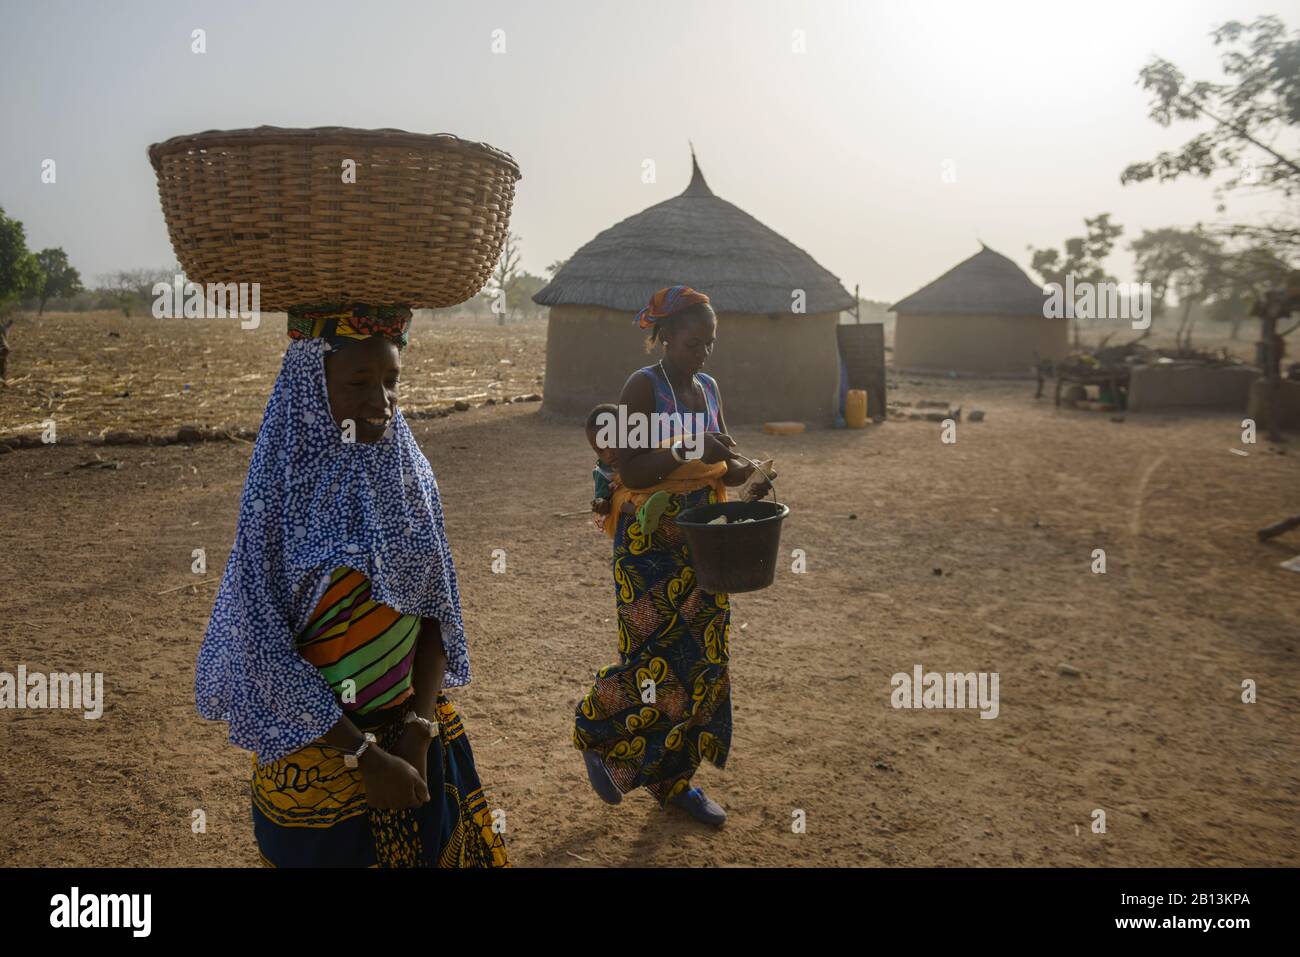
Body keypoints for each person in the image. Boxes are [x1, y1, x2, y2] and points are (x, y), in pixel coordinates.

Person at [195, 304, 507, 868]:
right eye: (358, 382)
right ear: (310, 387)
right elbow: (262, 646)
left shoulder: (410, 476)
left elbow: (437, 606)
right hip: (315, 756)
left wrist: (417, 726)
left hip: (412, 738)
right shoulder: (279, 492)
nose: (380, 401)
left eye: (391, 381)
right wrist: (362, 754)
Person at [572, 285, 767, 826]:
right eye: (692, 343)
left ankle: (675, 783)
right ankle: (597, 730)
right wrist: (691, 450)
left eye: (709, 343)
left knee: (703, 657)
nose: (702, 353)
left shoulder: (706, 388)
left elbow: (720, 454)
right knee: (652, 655)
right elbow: (630, 469)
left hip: (705, 535)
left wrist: (737, 470)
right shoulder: (643, 388)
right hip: (648, 542)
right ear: (664, 338)